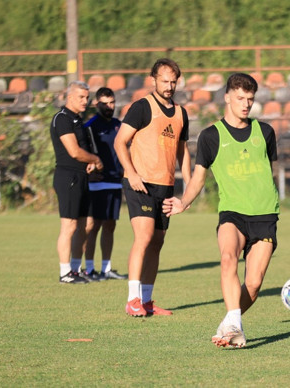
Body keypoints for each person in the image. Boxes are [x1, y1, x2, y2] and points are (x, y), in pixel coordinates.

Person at [162, 73, 279, 349]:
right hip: (232, 213)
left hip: (264, 215)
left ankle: (229, 322)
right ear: (227, 97)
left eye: (250, 99)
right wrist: (183, 201)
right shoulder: (211, 136)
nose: (246, 104)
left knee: (253, 284)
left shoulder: (265, 132)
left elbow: (270, 172)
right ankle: (235, 327)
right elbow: (199, 177)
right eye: (240, 98)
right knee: (228, 258)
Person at [114, 58, 191, 316]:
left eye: (173, 82)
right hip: (141, 183)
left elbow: (183, 151)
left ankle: (147, 301)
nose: (169, 86)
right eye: (164, 81)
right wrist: (131, 173)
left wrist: (189, 186)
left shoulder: (181, 113)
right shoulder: (141, 107)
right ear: (153, 80)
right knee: (144, 237)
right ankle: (132, 300)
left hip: (165, 186)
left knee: (157, 242)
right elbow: (119, 142)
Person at [50, 81, 103, 284]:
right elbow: (73, 151)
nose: (85, 101)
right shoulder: (62, 119)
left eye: (87, 97)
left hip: (81, 176)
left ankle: (75, 269)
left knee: (84, 224)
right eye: (81, 97)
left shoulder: (78, 120)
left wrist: (89, 163)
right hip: (68, 177)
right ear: (69, 96)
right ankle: (65, 273)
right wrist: (95, 160)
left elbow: (83, 151)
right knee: (69, 226)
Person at [80, 87, 127, 281]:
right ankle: (89, 269)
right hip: (97, 182)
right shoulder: (89, 126)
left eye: (112, 102)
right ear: (96, 104)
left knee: (110, 225)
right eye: (105, 103)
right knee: (93, 225)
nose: (109, 107)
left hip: (115, 181)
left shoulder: (119, 125)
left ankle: (106, 268)